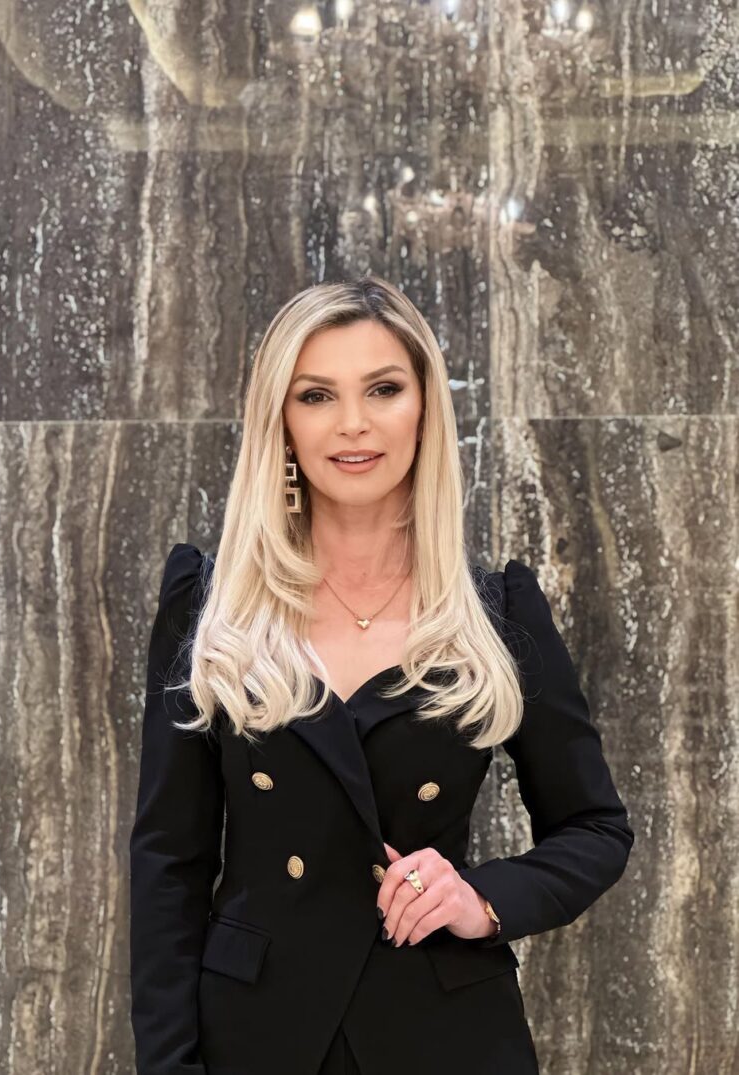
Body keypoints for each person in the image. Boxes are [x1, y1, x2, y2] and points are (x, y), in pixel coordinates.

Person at [129, 275, 635, 1075]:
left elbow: (596, 827)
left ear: (425, 407)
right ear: (281, 420)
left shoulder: (496, 611)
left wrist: (481, 898)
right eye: (317, 395)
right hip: (259, 1037)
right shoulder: (210, 606)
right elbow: (169, 865)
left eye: (384, 389)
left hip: (446, 1034)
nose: (353, 423)